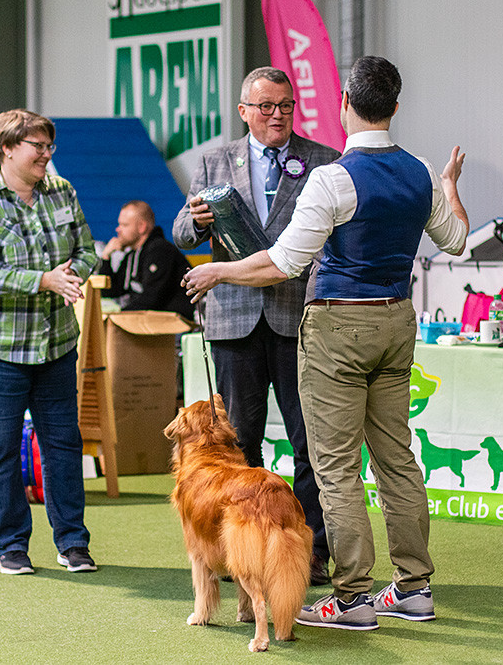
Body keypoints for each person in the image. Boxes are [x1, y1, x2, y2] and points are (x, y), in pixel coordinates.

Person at [182, 56, 469, 630]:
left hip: (339, 326)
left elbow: (285, 261)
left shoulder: (333, 175)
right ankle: (414, 588)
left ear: (343, 105)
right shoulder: (417, 171)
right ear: (394, 106)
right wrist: (450, 187)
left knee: (335, 467)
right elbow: (457, 240)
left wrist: (219, 272)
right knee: (397, 460)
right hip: (396, 320)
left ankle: (354, 598)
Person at [172, 66, 339, 585]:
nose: (277, 115)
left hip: (299, 320)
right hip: (233, 322)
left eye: (286, 105)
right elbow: (179, 233)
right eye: (265, 106)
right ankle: (241, 553)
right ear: (243, 111)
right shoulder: (214, 160)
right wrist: (196, 222)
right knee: (238, 446)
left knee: (308, 442)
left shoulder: (322, 161)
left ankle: (310, 553)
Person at [0, 108, 99, 575]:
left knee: (63, 443)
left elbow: (87, 251)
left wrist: (70, 275)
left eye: (48, 146)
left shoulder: (63, 192)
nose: (46, 155)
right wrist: (44, 280)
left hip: (55, 342)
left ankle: (73, 543)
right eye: (37, 146)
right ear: (6, 149)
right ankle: (11, 546)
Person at [98, 200, 193, 319]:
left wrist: (119, 315)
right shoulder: (132, 255)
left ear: (142, 227)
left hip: (174, 324)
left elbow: (152, 299)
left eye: (124, 225)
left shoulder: (160, 250)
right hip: (148, 322)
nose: (118, 229)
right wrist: (106, 258)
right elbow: (110, 292)